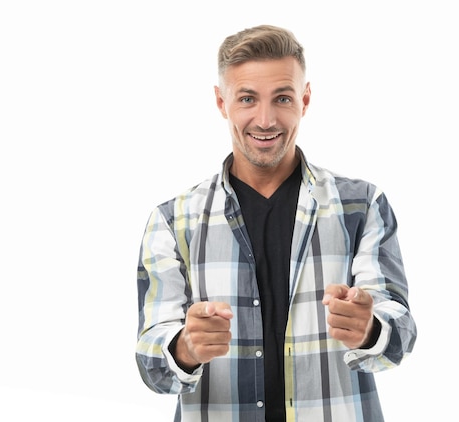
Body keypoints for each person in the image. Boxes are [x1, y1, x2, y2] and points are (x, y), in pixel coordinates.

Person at [135, 24, 417, 421]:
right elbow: (151, 362)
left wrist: (371, 329)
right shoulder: (173, 221)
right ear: (221, 102)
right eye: (247, 98)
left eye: (282, 98)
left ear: (304, 99)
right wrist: (185, 347)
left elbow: (400, 334)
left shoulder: (361, 206)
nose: (265, 120)